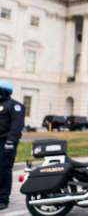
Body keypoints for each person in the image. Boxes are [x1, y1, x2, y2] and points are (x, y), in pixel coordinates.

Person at [0, 80, 25, 210]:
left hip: (5, 143)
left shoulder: (15, 106)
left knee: (3, 170)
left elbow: (17, 126)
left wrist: (11, 141)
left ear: (4, 91)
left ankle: (3, 199)